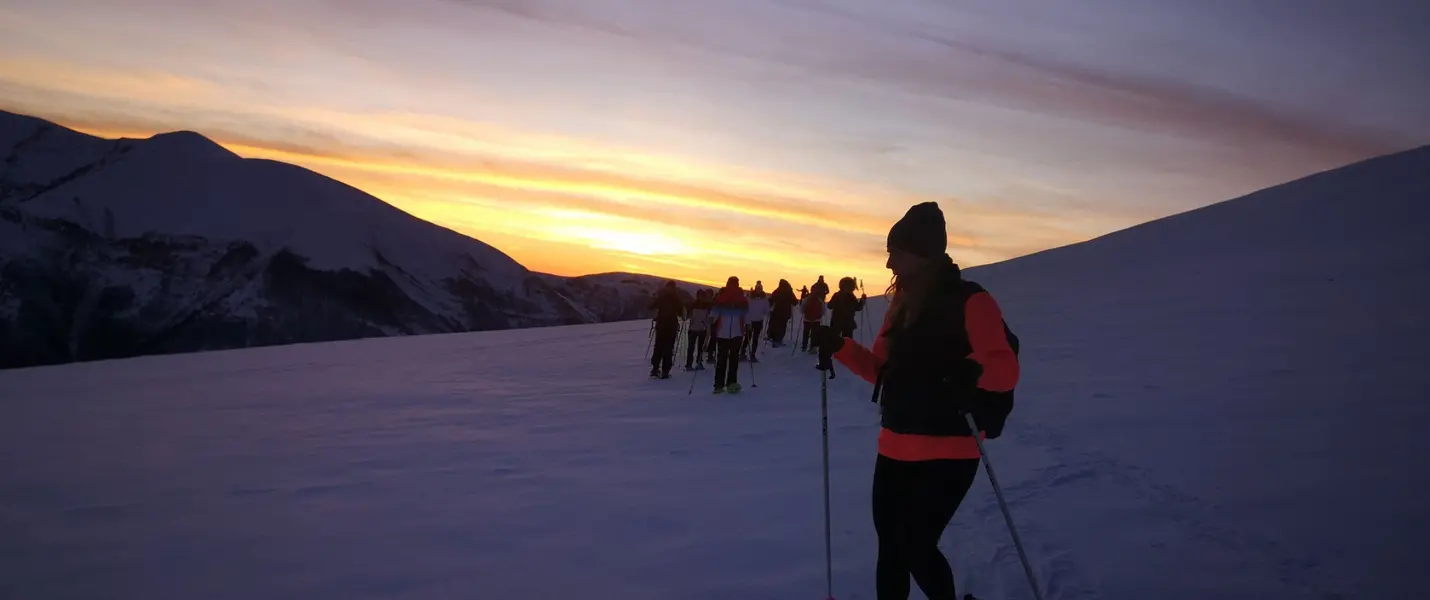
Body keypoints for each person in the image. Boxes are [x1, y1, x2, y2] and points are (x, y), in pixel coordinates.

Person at [814, 201, 1019, 600]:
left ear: (923, 254)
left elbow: (1005, 367)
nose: (889, 263)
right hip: (893, 448)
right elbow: (880, 372)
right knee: (890, 549)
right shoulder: (900, 308)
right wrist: (838, 346)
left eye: (897, 252)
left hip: (950, 450)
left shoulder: (972, 301)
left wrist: (971, 372)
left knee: (916, 547)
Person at [709, 276, 749, 393]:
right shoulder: (742, 299)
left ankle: (718, 385)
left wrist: (711, 319)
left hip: (722, 332)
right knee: (734, 359)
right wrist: (748, 325)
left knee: (721, 359)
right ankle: (731, 383)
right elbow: (746, 315)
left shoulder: (721, 297)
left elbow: (714, 312)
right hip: (737, 332)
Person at [646, 281, 685, 378]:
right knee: (668, 348)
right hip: (671, 326)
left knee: (658, 346)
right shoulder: (676, 298)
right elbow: (681, 313)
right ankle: (665, 371)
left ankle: (655, 368)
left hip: (661, 325)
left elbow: (650, 306)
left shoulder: (661, 297)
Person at [827, 276, 866, 342]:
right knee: (846, 341)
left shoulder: (838, 295)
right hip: (846, 322)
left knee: (836, 340)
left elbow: (829, 306)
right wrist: (862, 300)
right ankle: (844, 351)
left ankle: (836, 351)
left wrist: (862, 300)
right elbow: (858, 307)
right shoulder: (850, 296)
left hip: (838, 321)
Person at [685, 289, 713, 370]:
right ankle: (692, 363)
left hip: (699, 328)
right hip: (697, 328)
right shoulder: (707, 306)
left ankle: (696, 363)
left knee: (697, 347)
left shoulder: (693, 304)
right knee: (692, 347)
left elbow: (687, 315)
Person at [743, 281, 770, 362]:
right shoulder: (750, 298)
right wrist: (747, 322)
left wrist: (770, 310)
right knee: (748, 338)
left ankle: (753, 355)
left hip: (759, 321)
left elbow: (766, 310)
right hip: (750, 321)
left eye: (760, 289)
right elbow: (746, 310)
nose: (759, 290)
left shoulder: (764, 299)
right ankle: (742, 352)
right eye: (757, 288)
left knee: (755, 339)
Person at [766, 279, 798, 347]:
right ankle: (778, 339)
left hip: (776, 311)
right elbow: (795, 302)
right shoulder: (789, 292)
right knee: (782, 326)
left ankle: (771, 336)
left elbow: (771, 299)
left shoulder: (777, 291)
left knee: (773, 324)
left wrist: (769, 304)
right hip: (785, 313)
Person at [800, 287, 826, 353]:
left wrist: (804, 313)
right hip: (817, 320)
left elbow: (802, 309)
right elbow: (823, 311)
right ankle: (813, 348)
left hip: (807, 319)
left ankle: (804, 346)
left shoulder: (806, 299)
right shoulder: (820, 300)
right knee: (815, 334)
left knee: (806, 333)